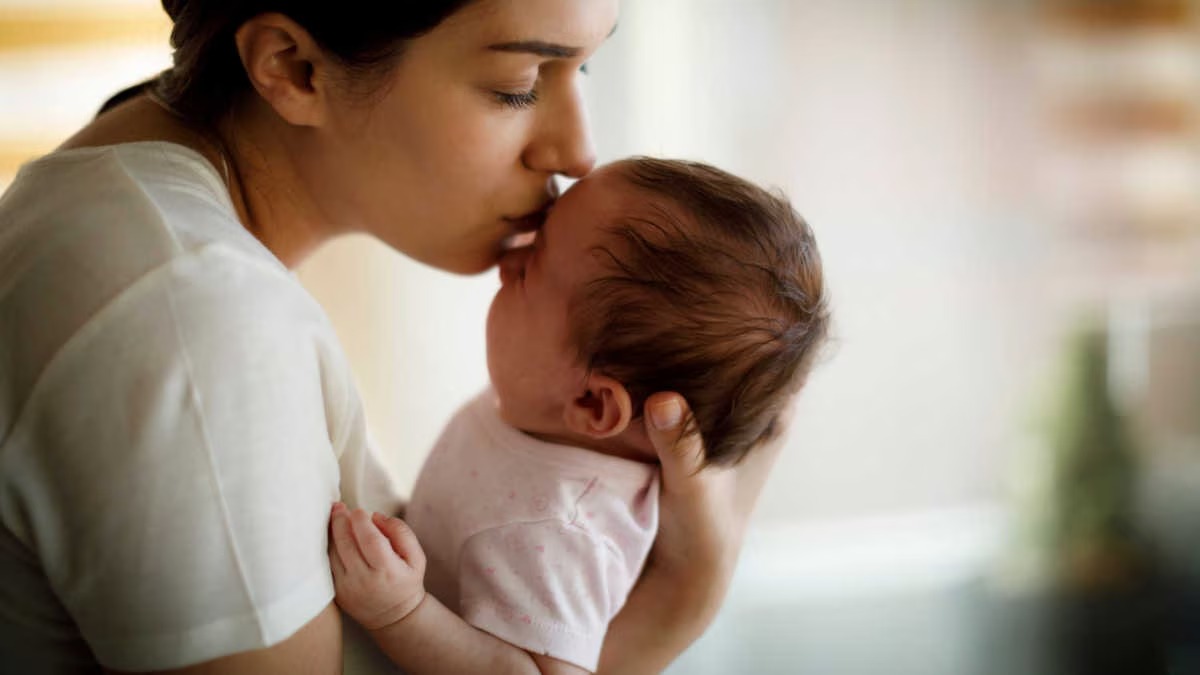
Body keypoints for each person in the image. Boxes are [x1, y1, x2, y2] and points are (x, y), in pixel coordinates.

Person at [0, 1, 792, 673]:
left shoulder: (138, 191)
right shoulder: (192, 317)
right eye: (519, 85)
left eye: (581, 69)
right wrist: (669, 613)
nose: (578, 153)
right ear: (293, 67)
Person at [328, 157, 830, 674]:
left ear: (594, 404)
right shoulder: (544, 409)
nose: (508, 261)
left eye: (531, 270)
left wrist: (403, 613)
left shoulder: (564, 530)